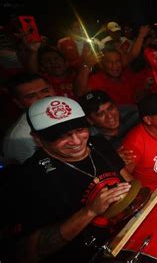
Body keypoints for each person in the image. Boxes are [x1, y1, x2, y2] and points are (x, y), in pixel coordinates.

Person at [12, 96, 132, 262]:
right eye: (62, 136)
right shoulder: (29, 178)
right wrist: (89, 211)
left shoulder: (98, 143)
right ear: (38, 139)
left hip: (127, 238)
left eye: (81, 129)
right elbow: (28, 253)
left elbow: (129, 182)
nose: (77, 141)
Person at [2, 73, 55, 164]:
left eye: (45, 91)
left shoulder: (69, 110)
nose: (41, 98)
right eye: (31, 96)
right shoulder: (19, 138)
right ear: (18, 103)